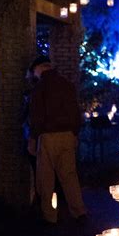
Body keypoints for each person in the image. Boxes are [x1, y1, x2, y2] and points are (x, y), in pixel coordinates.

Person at [28, 56, 86, 224]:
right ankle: (79, 211)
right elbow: (75, 111)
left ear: (39, 69)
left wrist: (32, 138)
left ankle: (49, 216)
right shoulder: (66, 85)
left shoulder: (40, 87)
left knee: (45, 179)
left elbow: (36, 116)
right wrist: (75, 133)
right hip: (68, 135)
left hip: (48, 136)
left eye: (34, 72)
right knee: (69, 175)